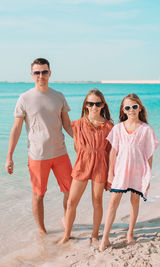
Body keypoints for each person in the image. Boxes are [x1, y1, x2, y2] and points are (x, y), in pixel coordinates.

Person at [5, 58, 73, 236]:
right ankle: (42, 230)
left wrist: (83, 142)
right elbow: (17, 128)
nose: (41, 76)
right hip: (37, 156)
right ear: (32, 75)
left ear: (50, 73)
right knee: (38, 195)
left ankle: (66, 219)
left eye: (44, 72)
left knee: (70, 191)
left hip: (60, 153)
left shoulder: (59, 96)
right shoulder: (24, 98)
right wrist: (9, 156)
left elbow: (67, 125)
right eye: (37, 72)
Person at [99, 93, 159, 251]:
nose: (131, 110)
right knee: (113, 202)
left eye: (134, 106)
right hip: (121, 171)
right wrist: (110, 173)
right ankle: (105, 238)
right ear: (123, 110)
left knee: (134, 201)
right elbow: (113, 152)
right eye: (127, 107)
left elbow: (149, 154)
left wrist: (148, 175)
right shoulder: (118, 128)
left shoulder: (146, 129)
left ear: (140, 108)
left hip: (138, 171)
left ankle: (130, 233)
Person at [58, 89, 113, 244]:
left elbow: (111, 152)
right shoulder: (77, 124)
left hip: (100, 165)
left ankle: (95, 235)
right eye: (90, 103)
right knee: (71, 202)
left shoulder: (109, 126)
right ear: (85, 105)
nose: (94, 106)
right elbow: (60, 123)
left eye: (97, 103)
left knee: (97, 200)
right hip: (82, 164)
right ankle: (66, 235)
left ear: (103, 105)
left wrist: (111, 174)